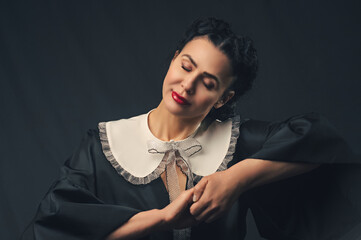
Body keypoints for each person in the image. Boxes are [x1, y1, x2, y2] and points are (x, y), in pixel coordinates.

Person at [21, 17, 361, 240]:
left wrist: (235, 179)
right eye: (185, 66)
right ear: (173, 58)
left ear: (222, 98)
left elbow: (320, 140)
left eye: (207, 83)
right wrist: (163, 218)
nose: (187, 85)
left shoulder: (238, 143)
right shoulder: (102, 146)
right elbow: (59, 230)